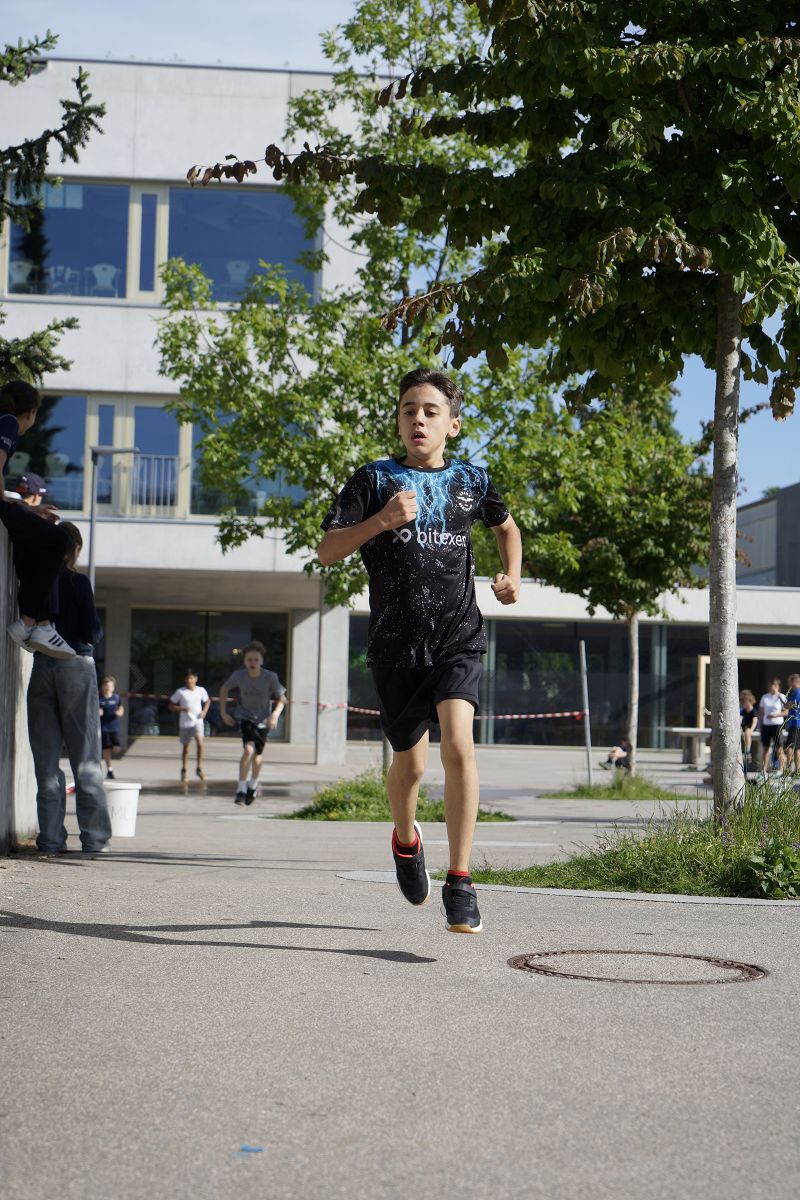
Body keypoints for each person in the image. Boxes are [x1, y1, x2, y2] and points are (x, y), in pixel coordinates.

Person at [317, 366, 521, 934]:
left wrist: (512, 575)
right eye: (409, 410)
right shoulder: (374, 479)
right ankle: (406, 842)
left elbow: (507, 528)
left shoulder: (472, 480)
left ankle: (461, 880)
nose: (418, 420)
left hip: (457, 636)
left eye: (431, 411)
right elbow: (327, 550)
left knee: (458, 746)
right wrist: (381, 521)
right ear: (399, 421)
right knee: (411, 765)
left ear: (452, 425)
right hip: (395, 645)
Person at [27, 522, 112, 855]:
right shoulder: (78, 582)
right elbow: (91, 631)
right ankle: (94, 838)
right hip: (75, 664)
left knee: (46, 760)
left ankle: (50, 839)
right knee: (85, 756)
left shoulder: (36, 580)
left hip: (41, 667)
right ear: (75, 550)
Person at [0, 379, 75, 659]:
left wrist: (27, 509)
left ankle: (38, 623)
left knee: (36, 539)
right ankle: (32, 622)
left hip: (5, 505)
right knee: (59, 539)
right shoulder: (8, 422)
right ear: (31, 413)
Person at [218, 642, 287, 805]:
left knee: (257, 757)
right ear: (244, 661)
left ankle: (253, 785)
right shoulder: (239, 676)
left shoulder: (270, 677)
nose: (252, 662)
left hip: (263, 719)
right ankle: (241, 790)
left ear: (261, 661)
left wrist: (275, 715)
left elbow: (282, 698)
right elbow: (224, 689)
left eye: (256, 659)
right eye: (249, 659)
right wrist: (223, 712)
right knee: (248, 751)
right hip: (245, 717)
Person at [169, 668, 211, 782]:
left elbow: (207, 701)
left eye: (191, 678)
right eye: (187, 678)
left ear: (195, 679)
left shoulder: (201, 690)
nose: (189, 680)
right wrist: (181, 709)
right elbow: (171, 705)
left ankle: (199, 768)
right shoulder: (180, 692)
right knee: (186, 748)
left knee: (200, 743)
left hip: (198, 722)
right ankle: (184, 770)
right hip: (185, 723)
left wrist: (204, 711)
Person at [758, 678, 786, 774]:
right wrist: (760, 726)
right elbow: (761, 713)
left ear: (778, 686)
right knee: (766, 748)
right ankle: (764, 770)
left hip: (777, 725)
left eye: (774, 685)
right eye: (771, 685)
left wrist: (775, 715)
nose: (772, 687)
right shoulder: (764, 697)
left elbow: (786, 712)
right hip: (766, 725)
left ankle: (781, 770)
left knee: (779, 747)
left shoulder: (782, 697)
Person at [99, 675, 124, 779]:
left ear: (113, 687)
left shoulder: (116, 698)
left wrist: (119, 713)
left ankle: (109, 766)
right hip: (104, 727)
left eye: (110, 686)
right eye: (106, 686)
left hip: (114, 727)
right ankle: (109, 769)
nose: (108, 688)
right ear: (103, 686)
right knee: (106, 750)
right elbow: (96, 710)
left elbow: (121, 708)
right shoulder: (99, 698)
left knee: (117, 748)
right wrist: (98, 712)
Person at [782, 673, 800, 776]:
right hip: (795, 723)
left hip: (795, 723)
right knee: (797, 748)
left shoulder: (797, 691)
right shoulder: (795, 692)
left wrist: (785, 705)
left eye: (790, 682)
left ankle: (788, 770)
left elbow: (790, 705)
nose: (789, 684)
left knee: (790, 747)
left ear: (794, 681)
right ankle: (797, 770)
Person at [739, 689, 758, 769]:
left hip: (750, 728)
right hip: (744, 727)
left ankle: (748, 751)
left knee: (747, 732)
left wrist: (751, 729)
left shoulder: (753, 711)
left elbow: (754, 722)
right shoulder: (743, 711)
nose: (744, 704)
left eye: (745, 702)